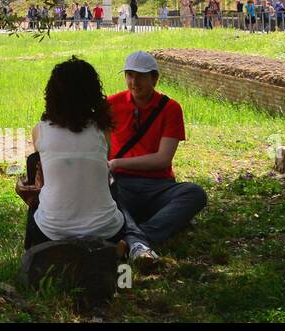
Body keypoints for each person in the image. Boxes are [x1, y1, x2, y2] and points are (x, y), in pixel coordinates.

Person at [15, 57, 132, 251]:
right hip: (107, 231)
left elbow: (42, 176)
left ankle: (31, 250)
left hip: (52, 232)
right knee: (110, 179)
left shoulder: (40, 130)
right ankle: (120, 251)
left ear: (52, 94)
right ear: (93, 93)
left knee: (34, 170)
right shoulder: (102, 130)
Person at [107, 51, 207, 266]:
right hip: (121, 184)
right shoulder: (111, 105)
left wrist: (116, 163)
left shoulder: (170, 108)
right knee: (107, 195)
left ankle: (136, 239)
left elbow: (163, 159)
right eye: (129, 75)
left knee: (194, 193)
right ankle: (140, 241)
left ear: (154, 78)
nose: (134, 82)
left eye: (140, 76)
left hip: (157, 185)